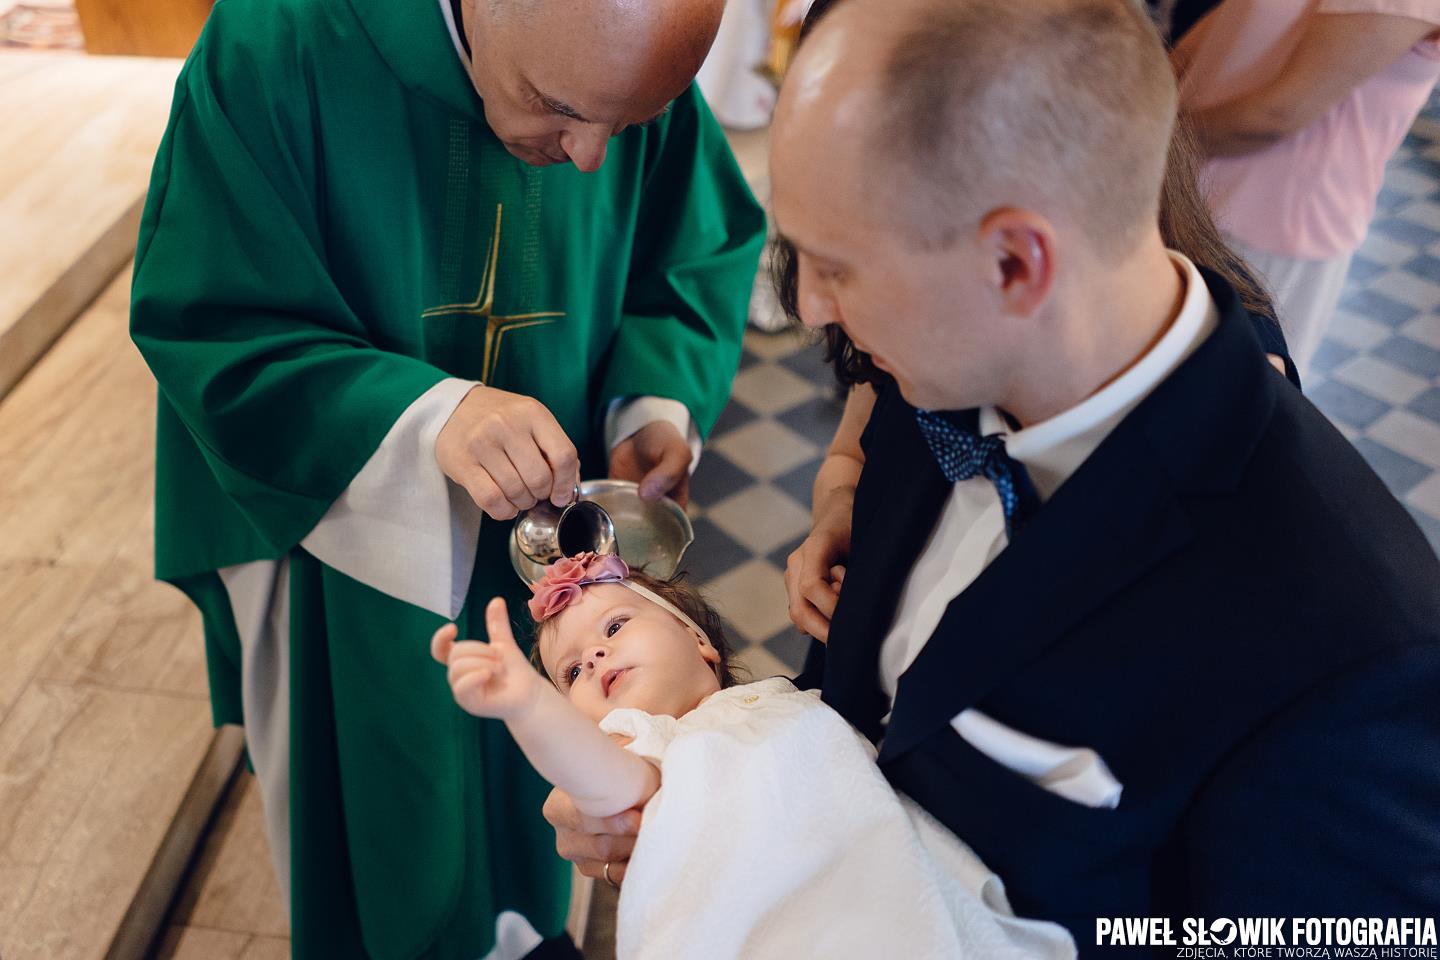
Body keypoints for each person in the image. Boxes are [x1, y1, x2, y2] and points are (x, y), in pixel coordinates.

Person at [762, 0, 1440, 943]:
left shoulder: (1356, 656)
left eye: (836, 267)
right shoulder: (942, 365)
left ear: (1015, 261)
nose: (810, 308)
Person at [128, 0, 767, 955]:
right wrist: (426, 416)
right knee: (396, 841)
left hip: (562, 535)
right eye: (554, 106)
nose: (591, 157)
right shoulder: (280, 45)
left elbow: (691, 246)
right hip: (358, 554)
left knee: (555, 794)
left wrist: (650, 406)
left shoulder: (624, 41)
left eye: (623, 126)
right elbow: (213, 315)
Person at [431, 553, 1076, 960]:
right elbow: (598, 784)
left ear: (700, 643)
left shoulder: (783, 702)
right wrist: (525, 707)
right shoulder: (652, 751)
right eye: (569, 673)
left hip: (890, 890)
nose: (593, 656)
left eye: (616, 626)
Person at [1175, 0, 1440, 377]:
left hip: (1270, 227)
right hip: (1183, 187)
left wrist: (1148, 143)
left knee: (1215, 400)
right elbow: (1209, 38)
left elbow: (1275, 117)